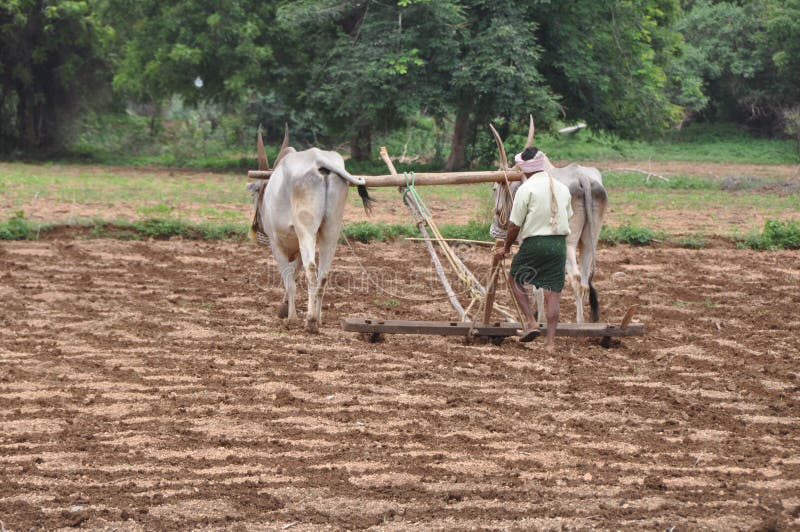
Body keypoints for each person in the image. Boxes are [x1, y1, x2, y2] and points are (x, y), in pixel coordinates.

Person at [494, 146, 573, 352]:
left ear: (526, 168)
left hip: (535, 243)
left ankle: (531, 322)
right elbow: (568, 215)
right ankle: (550, 343)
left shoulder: (525, 189)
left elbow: (514, 225)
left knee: (515, 279)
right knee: (553, 292)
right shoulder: (562, 188)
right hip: (558, 244)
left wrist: (506, 248)